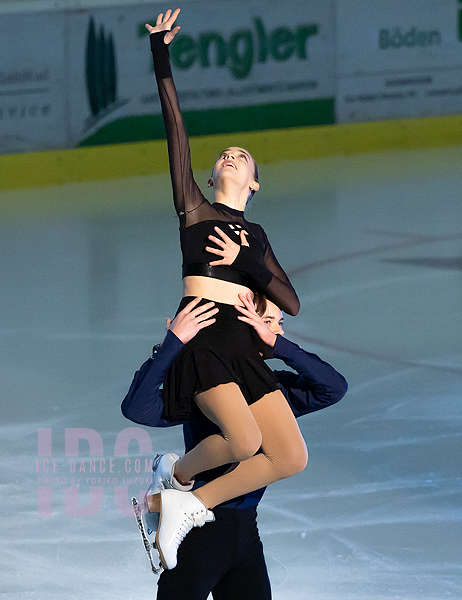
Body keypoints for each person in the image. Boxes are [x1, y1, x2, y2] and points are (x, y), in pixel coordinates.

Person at [146, 8, 307, 570]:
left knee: (290, 455)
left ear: (254, 181)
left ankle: (184, 503)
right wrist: (161, 54)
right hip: (207, 339)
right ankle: (179, 474)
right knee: (241, 443)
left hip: (245, 350)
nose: (232, 155)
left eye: (244, 157)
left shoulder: (256, 235)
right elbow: (176, 129)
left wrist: (247, 260)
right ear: (214, 178)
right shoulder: (195, 211)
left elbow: (289, 300)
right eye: (225, 157)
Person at [122, 295, 347, 599]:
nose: (275, 332)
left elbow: (332, 388)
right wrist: (172, 344)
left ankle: (164, 498)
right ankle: (168, 493)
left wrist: (280, 347)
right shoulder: (203, 390)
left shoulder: (274, 396)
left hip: (247, 534)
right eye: (266, 322)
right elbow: (137, 408)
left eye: (279, 324)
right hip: (198, 534)